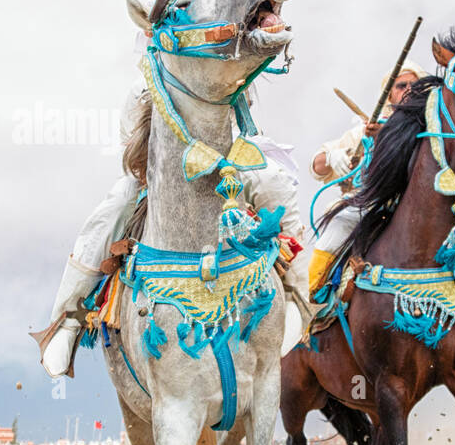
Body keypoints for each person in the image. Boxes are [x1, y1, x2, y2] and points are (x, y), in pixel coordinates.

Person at [32, 85, 312, 378]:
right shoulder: (146, 78)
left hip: (227, 159)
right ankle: (69, 319)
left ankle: (297, 297)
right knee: (117, 202)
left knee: (272, 180)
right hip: (163, 170)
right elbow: (131, 140)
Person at [306, 61, 425, 291]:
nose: (409, 90)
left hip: (416, 206)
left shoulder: (429, 130)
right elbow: (316, 167)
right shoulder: (362, 133)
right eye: (402, 85)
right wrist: (332, 157)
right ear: (389, 96)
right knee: (336, 226)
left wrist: (389, 136)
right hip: (367, 206)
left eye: (415, 85)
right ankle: (315, 300)